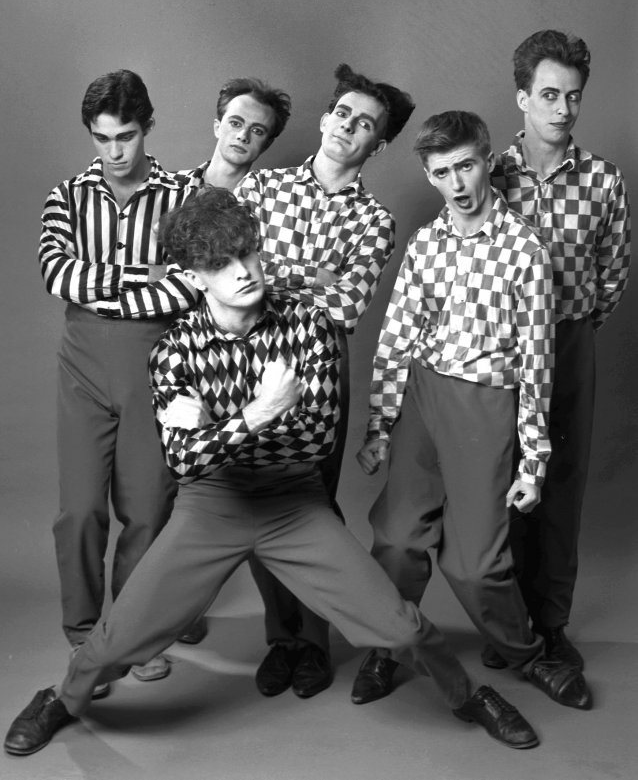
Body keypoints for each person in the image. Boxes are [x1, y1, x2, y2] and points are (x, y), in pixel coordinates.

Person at [5, 187, 543, 756]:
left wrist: (218, 425)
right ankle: (60, 700)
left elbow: (316, 439)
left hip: (295, 504)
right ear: (194, 278)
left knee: (401, 626)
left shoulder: (306, 326)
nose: (241, 272)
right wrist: (261, 412)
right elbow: (184, 461)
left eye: (247, 254)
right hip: (211, 507)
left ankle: (468, 696)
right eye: (219, 264)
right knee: (118, 639)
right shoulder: (175, 351)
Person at [350, 110, 592, 714]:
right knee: (397, 539)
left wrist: (533, 462)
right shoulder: (425, 243)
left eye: (465, 166)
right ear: (429, 177)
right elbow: (396, 338)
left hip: (486, 404)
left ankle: (528, 652)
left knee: (476, 564)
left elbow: (538, 364)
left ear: (487, 161)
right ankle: (389, 646)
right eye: (441, 172)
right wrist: (381, 426)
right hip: (424, 398)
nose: (457, 183)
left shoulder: (524, 251)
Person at [235, 63, 415, 699]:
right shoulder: (262, 189)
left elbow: (344, 308)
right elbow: (238, 279)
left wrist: (279, 279)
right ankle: (280, 639)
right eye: (343, 114)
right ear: (325, 117)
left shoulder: (376, 221)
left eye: (365, 124)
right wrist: (315, 277)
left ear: (379, 143)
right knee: (254, 497)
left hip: (320, 374)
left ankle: (313, 642)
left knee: (311, 505)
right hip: (249, 364)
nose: (349, 128)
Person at [40, 70, 201, 695]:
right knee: (79, 509)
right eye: (102, 138)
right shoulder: (67, 195)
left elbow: (189, 281)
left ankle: (130, 636)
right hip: (82, 361)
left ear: (147, 127)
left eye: (126, 136)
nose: (114, 152)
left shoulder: (183, 192)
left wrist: (107, 279)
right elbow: (58, 274)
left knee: (147, 508)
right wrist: (143, 276)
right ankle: (85, 634)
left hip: (154, 362)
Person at [487, 29, 631, 670]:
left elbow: (614, 272)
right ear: (522, 98)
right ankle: (504, 622)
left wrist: (568, 330)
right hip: (498, 347)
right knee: (503, 479)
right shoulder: (487, 175)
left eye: (573, 97)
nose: (563, 109)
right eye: (549, 95)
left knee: (562, 484)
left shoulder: (602, 180)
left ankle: (552, 622)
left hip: (569, 342)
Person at [175, 75, 292, 646]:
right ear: (217, 122)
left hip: (253, 354)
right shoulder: (171, 190)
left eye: (259, 131)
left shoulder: (271, 201)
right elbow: (153, 274)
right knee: (180, 485)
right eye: (237, 122)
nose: (244, 135)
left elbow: (283, 279)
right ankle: (179, 610)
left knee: (264, 481)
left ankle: (287, 637)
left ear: (266, 144)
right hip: (179, 352)